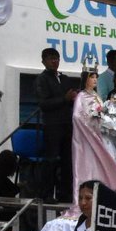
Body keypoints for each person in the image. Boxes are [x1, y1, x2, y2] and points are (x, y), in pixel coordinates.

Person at [72, 67, 116, 206]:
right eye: (91, 77)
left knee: (111, 167)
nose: (94, 80)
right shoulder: (82, 96)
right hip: (90, 140)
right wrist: (96, 119)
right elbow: (78, 117)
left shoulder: (97, 96)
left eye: (96, 77)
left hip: (104, 138)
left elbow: (106, 111)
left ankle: (112, 199)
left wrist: (107, 118)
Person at [35, 47, 76, 202]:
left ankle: (65, 193)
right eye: (51, 58)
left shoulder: (65, 79)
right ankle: (46, 194)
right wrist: (64, 99)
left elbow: (70, 98)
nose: (54, 61)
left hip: (67, 124)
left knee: (67, 160)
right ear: (43, 61)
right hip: (52, 125)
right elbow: (43, 103)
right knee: (51, 159)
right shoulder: (42, 79)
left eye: (57, 58)